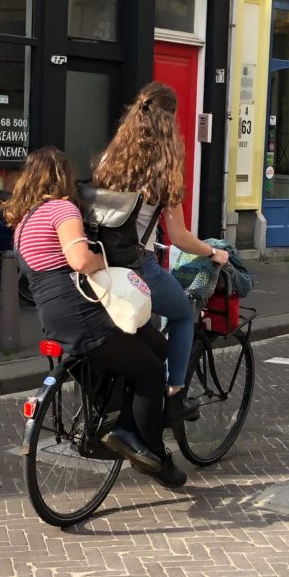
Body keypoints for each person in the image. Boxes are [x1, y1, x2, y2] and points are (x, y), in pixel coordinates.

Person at [5, 147, 185, 488]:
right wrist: (103, 260)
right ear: (63, 178)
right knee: (148, 370)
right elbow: (79, 260)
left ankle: (121, 424)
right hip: (82, 312)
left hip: (53, 316)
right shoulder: (62, 208)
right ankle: (152, 454)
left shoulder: (24, 220)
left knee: (156, 344)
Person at [93, 82, 229, 423]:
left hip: (102, 263)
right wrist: (212, 251)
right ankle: (176, 393)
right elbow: (180, 237)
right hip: (138, 267)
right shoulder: (162, 170)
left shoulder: (110, 160)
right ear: (168, 121)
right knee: (183, 313)